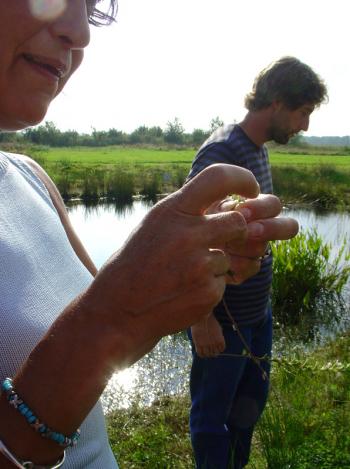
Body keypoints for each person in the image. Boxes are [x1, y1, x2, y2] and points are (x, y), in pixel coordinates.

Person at [0, 2, 299, 468]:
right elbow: (103, 325)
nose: (81, 32)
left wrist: (178, 272)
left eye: (91, 8)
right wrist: (110, 321)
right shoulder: (222, 147)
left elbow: (112, 341)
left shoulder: (31, 179)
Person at [187, 56, 328, 469]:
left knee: (245, 414)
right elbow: (192, 240)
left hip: (256, 316)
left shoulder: (256, 151)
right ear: (278, 102)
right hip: (224, 322)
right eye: (303, 113)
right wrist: (201, 319)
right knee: (212, 422)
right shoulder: (222, 150)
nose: (305, 126)